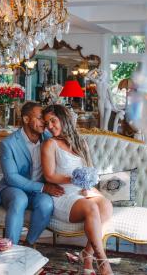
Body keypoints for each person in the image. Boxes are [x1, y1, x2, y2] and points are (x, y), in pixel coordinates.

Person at [41, 104, 113, 275]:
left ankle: (87, 254)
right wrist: (74, 179)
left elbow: (88, 170)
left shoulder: (81, 143)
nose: (50, 126)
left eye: (53, 121)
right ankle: (103, 262)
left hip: (80, 191)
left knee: (106, 205)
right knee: (91, 207)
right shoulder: (50, 144)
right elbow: (49, 176)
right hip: (62, 194)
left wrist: (89, 187)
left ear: (63, 119)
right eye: (47, 123)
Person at [0, 101, 64, 246]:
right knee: (20, 199)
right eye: (39, 118)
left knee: (46, 203)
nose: (44, 123)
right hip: (13, 188)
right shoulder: (9, 143)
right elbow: (11, 177)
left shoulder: (49, 138)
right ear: (26, 119)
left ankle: (29, 244)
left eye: (44, 119)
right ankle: (11, 247)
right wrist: (43, 187)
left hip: (37, 191)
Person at [86, 68, 125, 132]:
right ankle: (105, 131)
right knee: (105, 121)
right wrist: (114, 107)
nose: (98, 74)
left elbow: (88, 75)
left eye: (100, 74)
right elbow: (111, 97)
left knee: (102, 118)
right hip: (107, 102)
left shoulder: (97, 82)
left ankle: (103, 131)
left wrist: (95, 69)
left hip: (101, 101)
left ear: (103, 75)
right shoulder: (106, 85)